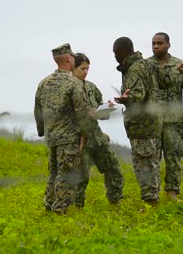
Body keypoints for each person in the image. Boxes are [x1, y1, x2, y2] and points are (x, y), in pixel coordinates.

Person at [34, 43, 91, 214]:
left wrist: (42, 131)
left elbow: (37, 110)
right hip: (69, 138)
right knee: (67, 174)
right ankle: (60, 210)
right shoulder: (74, 83)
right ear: (69, 59)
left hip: (51, 137)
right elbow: (81, 113)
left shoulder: (43, 83)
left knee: (54, 172)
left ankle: (49, 205)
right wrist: (85, 134)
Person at [146, 32, 183, 201]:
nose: (156, 46)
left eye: (159, 43)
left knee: (173, 156)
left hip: (174, 119)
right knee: (151, 157)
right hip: (151, 119)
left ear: (168, 44)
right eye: (153, 43)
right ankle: (152, 194)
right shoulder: (145, 66)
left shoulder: (182, 66)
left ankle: (172, 192)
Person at [112, 37, 167, 206]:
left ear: (122, 51)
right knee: (152, 163)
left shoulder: (135, 69)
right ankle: (154, 199)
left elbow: (137, 96)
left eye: (115, 53)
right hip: (153, 122)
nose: (114, 57)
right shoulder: (147, 64)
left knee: (144, 165)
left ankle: (151, 203)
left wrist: (125, 99)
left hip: (142, 125)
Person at [71, 53, 124, 207]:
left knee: (113, 167)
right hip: (78, 138)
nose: (86, 72)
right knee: (81, 176)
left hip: (96, 136)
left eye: (88, 68)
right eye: (82, 68)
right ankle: (77, 208)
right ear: (73, 68)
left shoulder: (91, 87)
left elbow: (102, 115)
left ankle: (115, 202)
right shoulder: (67, 88)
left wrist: (105, 109)